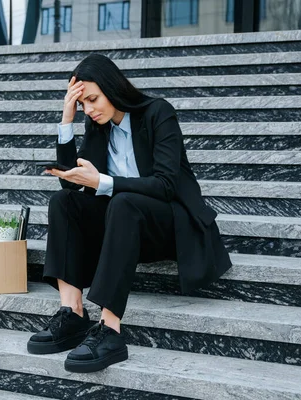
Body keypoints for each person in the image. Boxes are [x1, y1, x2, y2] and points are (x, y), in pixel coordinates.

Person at [26, 54, 232, 373]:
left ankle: (110, 331)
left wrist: (104, 182)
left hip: (170, 226)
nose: (90, 110)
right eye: (83, 105)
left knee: (123, 201)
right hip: (124, 228)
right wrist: (67, 120)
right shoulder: (98, 126)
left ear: (112, 88)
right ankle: (73, 312)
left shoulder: (158, 113)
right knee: (62, 202)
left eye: (93, 99)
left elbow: (165, 185)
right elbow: (72, 186)